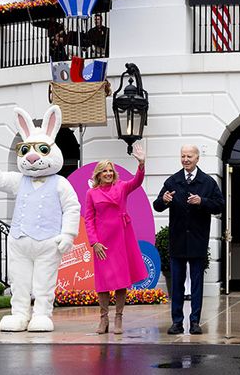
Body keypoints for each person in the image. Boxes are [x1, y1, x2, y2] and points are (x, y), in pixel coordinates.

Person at [153, 144, 224, 335]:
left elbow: (220, 205)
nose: (185, 159)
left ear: (197, 158)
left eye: (189, 156)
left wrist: (203, 202)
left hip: (198, 241)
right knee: (176, 284)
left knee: (197, 284)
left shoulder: (207, 182)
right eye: (183, 156)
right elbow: (157, 205)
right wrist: (164, 200)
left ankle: (194, 322)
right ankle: (177, 322)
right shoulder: (173, 181)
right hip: (177, 241)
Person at [85, 142, 148, 335]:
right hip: (102, 241)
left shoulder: (121, 187)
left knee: (121, 280)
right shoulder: (91, 193)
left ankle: (118, 318)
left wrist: (141, 164)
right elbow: (89, 219)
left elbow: (136, 182)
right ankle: (103, 319)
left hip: (121, 238)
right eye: (104, 171)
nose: (108, 174)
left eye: (110, 170)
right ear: (98, 174)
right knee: (103, 282)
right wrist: (94, 242)